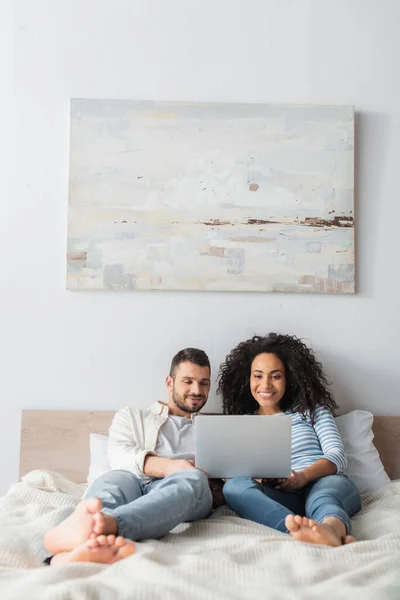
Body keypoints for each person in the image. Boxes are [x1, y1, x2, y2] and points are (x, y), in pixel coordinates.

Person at [44, 347, 214, 565]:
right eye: (188, 381)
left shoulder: (212, 429)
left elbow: (230, 470)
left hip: (181, 490)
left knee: (194, 478)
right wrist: (171, 466)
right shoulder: (132, 416)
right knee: (112, 479)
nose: (196, 390)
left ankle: (105, 525)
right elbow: (119, 455)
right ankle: (66, 553)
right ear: (169, 383)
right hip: (133, 479)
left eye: (204, 382)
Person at [219, 333, 361, 547]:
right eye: (258, 376)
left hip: (322, 482)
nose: (265, 385)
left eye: (275, 376)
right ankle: (296, 530)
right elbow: (235, 472)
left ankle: (330, 528)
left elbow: (337, 457)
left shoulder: (311, 412)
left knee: (324, 498)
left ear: (289, 378)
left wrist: (303, 477)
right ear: (247, 379)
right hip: (280, 495)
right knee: (234, 488)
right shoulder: (242, 425)